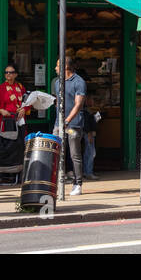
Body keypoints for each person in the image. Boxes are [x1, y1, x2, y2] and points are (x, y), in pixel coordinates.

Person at [53, 58, 87, 196]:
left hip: (73, 124)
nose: (55, 68)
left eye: (57, 66)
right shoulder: (57, 82)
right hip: (58, 123)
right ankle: (57, 180)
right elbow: (58, 102)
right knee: (54, 152)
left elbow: (78, 104)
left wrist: (67, 120)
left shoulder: (79, 82)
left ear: (65, 67)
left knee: (74, 155)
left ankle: (77, 183)